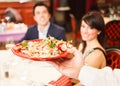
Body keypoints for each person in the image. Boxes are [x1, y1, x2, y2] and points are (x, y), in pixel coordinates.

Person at [47, 11, 110, 85]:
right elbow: (76, 69)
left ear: (99, 31)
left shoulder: (97, 54)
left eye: (90, 28)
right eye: (83, 26)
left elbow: (84, 83)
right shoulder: (82, 45)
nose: (85, 31)